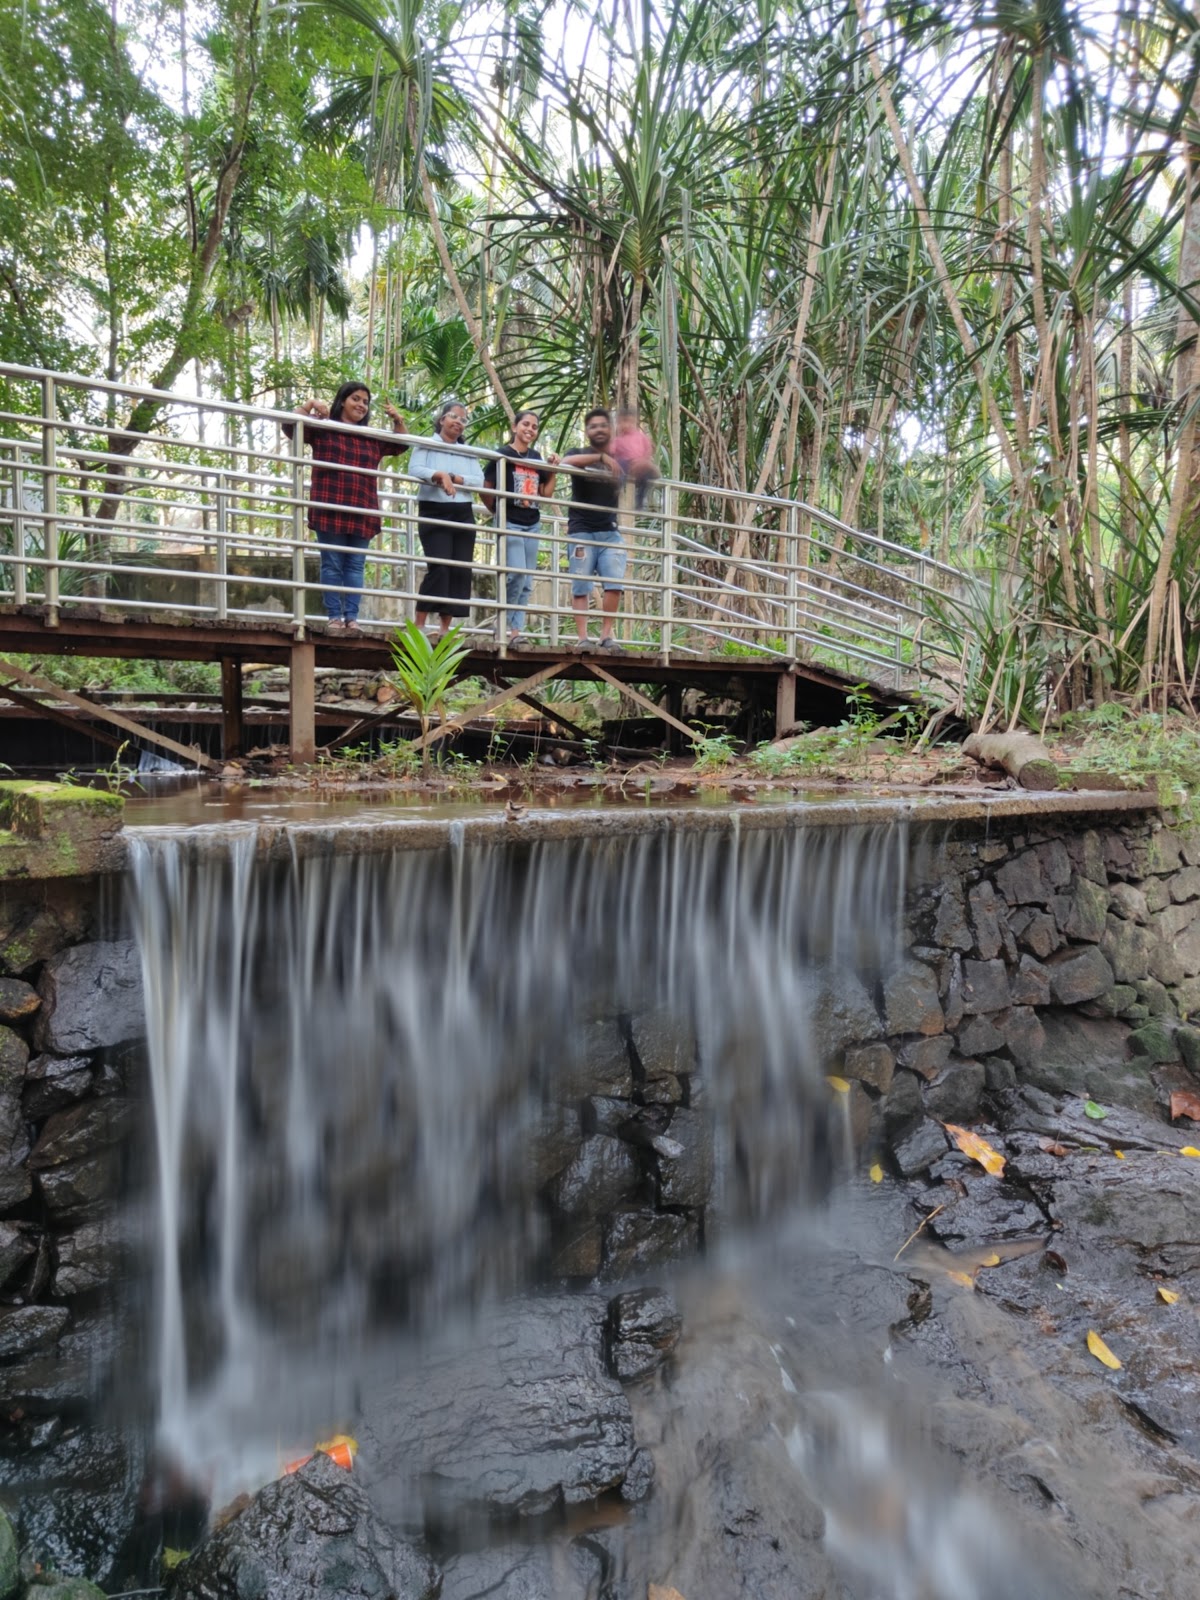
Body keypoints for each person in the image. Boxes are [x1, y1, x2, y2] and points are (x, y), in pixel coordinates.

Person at [287, 382, 407, 634]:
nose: (361, 405)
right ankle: (334, 617)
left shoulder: (371, 437)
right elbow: (291, 426)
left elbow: (400, 445)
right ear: (342, 400)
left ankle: (352, 618)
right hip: (330, 503)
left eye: (365, 402)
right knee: (331, 563)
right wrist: (310, 405)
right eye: (356, 399)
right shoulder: (324, 427)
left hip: (362, 509)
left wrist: (398, 420)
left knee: (355, 565)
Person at [481, 410, 559, 648]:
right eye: (525, 424)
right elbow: (486, 489)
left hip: (532, 522)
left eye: (534, 426)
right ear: (515, 427)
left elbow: (545, 494)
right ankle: (501, 624)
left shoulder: (536, 458)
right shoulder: (502, 455)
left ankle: (516, 631)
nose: (530, 429)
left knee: (526, 580)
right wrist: (497, 512)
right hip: (509, 520)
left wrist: (553, 470)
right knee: (514, 572)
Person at [408, 400, 485, 636]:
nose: (458, 422)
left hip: (462, 511)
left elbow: (479, 480)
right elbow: (415, 469)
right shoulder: (427, 444)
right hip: (434, 508)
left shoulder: (468, 451)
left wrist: (455, 478)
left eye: (463, 420)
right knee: (439, 566)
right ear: (442, 419)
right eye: (454, 416)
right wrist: (439, 475)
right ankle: (419, 624)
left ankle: (444, 629)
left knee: (459, 568)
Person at [563, 408, 626, 651]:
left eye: (603, 425)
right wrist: (600, 459)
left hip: (610, 530)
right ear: (587, 431)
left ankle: (606, 635)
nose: (598, 429)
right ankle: (582, 638)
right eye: (593, 426)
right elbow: (565, 463)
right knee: (581, 585)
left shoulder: (620, 459)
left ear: (610, 429)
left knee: (614, 583)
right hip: (581, 530)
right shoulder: (578, 453)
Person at [611, 408, 658, 510]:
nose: (625, 425)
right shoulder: (618, 440)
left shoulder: (641, 437)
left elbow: (648, 449)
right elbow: (612, 452)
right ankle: (618, 487)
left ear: (634, 422)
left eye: (628, 421)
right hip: (625, 463)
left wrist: (644, 459)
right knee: (620, 465)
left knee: (646, 480)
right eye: (621, 422)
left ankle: (640, 501)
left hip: (640, 464)